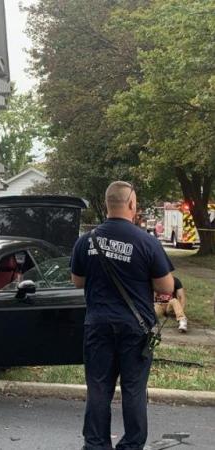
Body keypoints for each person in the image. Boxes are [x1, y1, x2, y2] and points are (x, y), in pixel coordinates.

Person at [71, 181, 175, 450]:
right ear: (132, 204)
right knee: (133, 390)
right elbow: (166, 287)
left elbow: (77, 282)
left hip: (98, 325)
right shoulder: (146, 242)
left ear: (107, 204)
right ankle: (130, 445)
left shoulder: (86, 241)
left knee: (98, 388)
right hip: (135, 328)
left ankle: (95, 444)